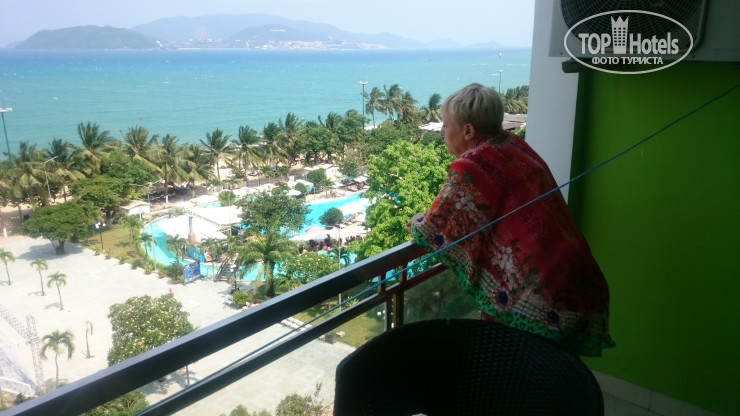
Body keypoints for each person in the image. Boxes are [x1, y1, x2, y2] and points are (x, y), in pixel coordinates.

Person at [407, 83, 615, 356]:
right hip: (576, 275)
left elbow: (432, 230)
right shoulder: (511, 143)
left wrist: (416, 220)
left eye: (446, 125)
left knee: (522, 367)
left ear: (468, 131)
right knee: (552, 368)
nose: (441, 131)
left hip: (543, 294)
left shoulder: (471, 166)